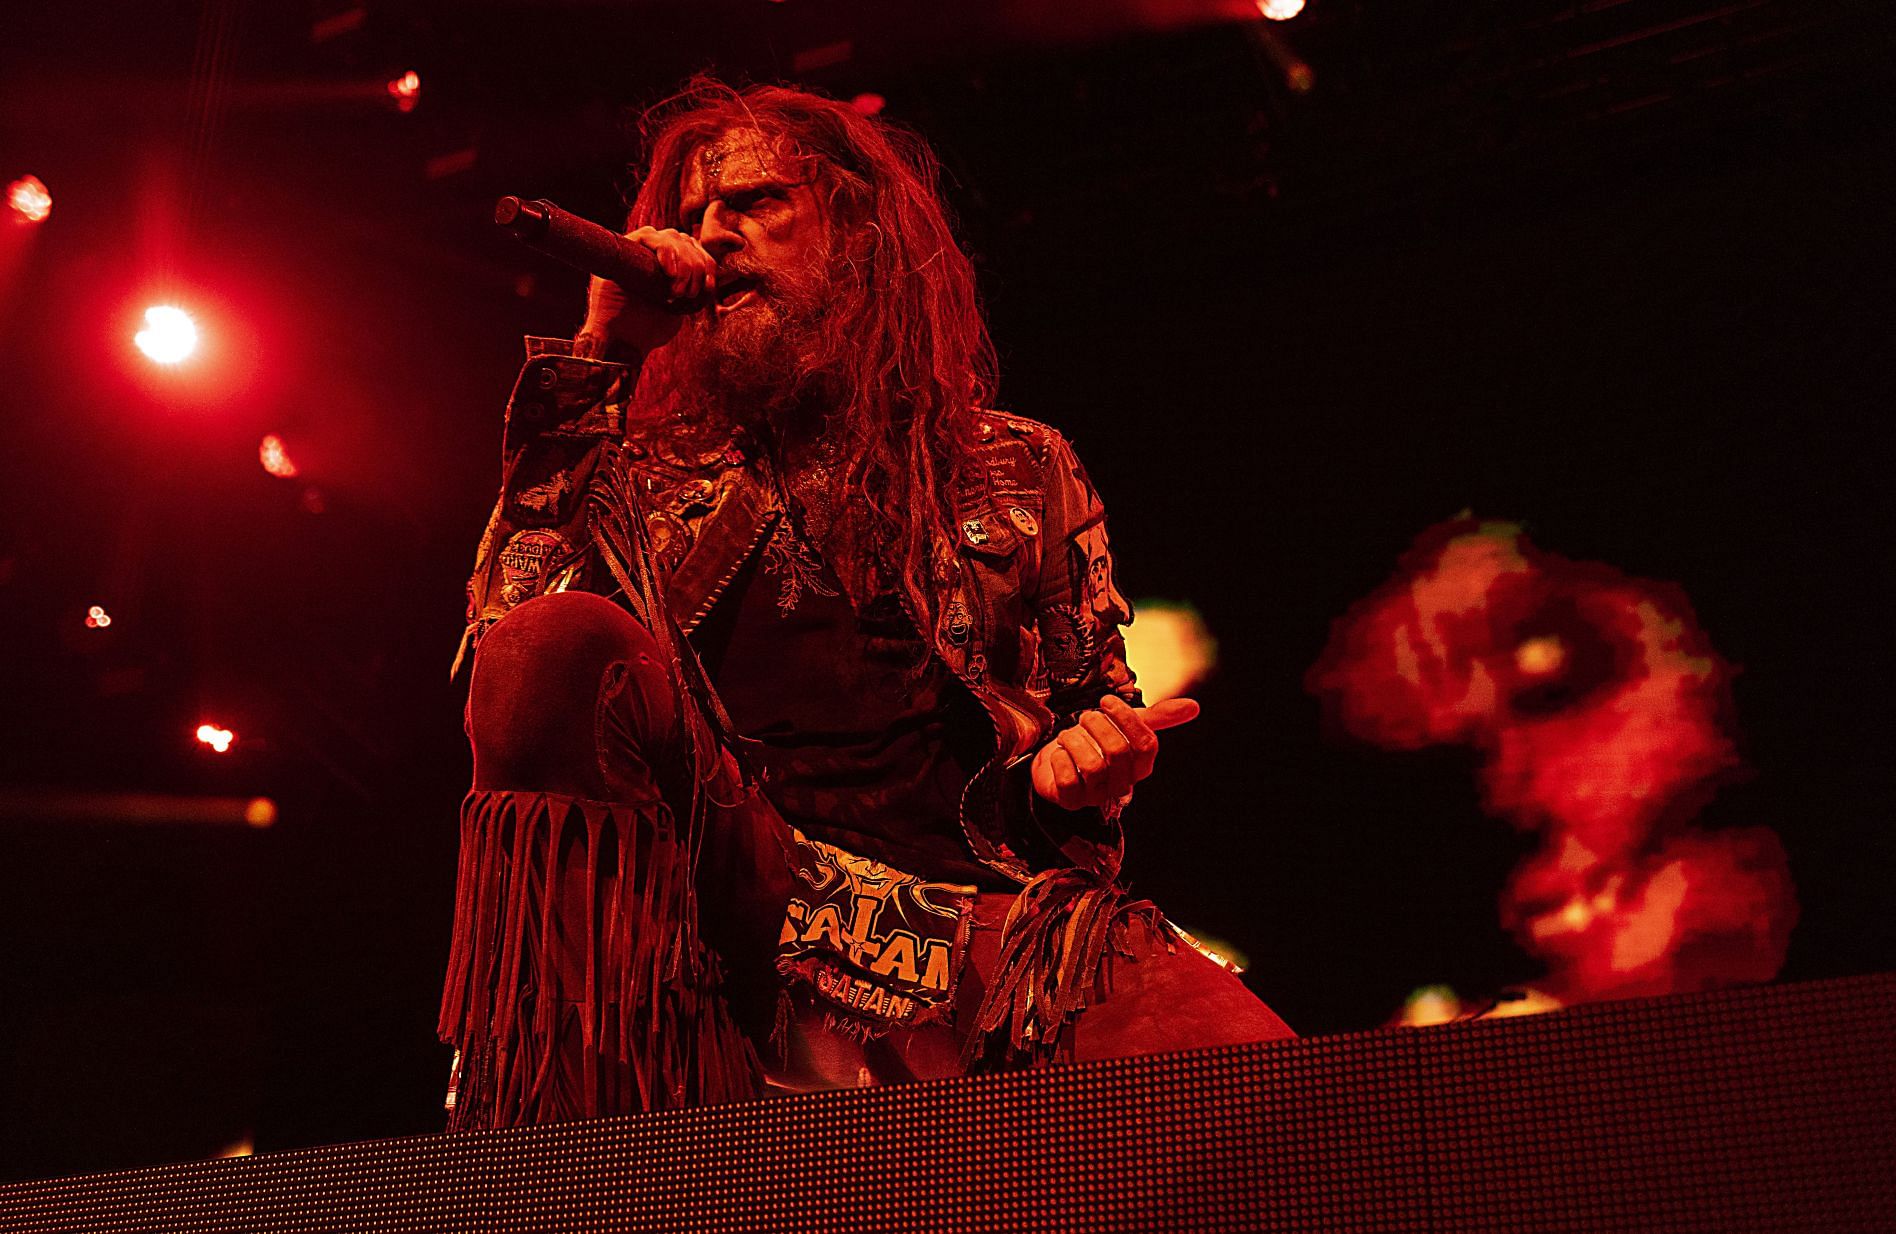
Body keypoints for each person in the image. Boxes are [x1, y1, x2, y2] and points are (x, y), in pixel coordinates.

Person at [438, 79, 1289, 1131]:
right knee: (554, 641)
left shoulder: (1014, 464)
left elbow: (1092, 715)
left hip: (965, 919)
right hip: (736, 896)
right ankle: (569, 1136)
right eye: (696, 215)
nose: (714, 233)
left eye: (756, 202)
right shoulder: (638, 467)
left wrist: (1091, 767)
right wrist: (602, 357)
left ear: (856, 234)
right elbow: (507, 659)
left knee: (1277, 1094)